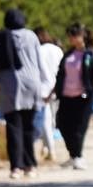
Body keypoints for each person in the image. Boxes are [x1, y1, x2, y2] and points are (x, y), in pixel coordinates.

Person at [0, 8, 43, 178]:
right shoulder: (31, 36)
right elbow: (39, 62)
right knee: (29, 127)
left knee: (14, 127)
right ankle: (31, 166)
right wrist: (44, 84)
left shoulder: (2, 36)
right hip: (32, 85)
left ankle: (16, 167)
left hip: (11, 87)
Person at [54, 22, 93, 170]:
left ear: (82, 36)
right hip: (66, 96)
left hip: (84, 97)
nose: (71, 38)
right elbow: (60, 74)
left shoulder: (90, 54)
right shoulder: (68, 54)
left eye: (74, 35)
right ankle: (73, 155)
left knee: (79, 128)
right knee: (62, 124)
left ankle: (78, 157)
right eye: (70, 35)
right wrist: (53, 92)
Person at [34, 27, 64, 161]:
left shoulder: (39, 50)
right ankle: (47, 148)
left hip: (44, 88)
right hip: (58, 88)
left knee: (45, 120)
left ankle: (49, 149)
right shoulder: (57, 50)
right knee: (52, 119)